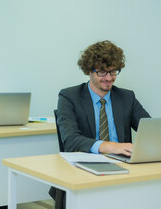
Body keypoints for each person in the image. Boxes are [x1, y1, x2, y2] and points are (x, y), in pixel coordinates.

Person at [50, 40, 151, 208]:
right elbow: (70, 140)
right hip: (83, 170)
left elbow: (149, 130)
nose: (109, 78)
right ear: (89, 70)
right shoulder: (69, 97)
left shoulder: (127, 97)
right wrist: (110, 146)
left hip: (123, 169)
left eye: (113, 72)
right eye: (102, 72)